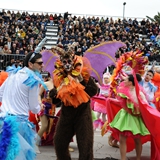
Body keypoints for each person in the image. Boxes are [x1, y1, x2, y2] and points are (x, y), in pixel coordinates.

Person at [48, 44, 98, 160]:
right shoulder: (60, 78)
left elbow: (93, 91)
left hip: (82, 114)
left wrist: (82, 81)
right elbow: (56, 100)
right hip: (66, 114)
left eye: (68, 61)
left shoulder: (83, 74)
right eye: (64, 62)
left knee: (85, 147)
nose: (67, 64)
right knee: (59, 142)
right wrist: (53, 93)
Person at [0, 51, 46, 160]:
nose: (42, 65)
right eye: (39, 63)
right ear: (30, 64)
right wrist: (40, 106)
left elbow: (0, 94)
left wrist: (10, 102)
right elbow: (34, 108)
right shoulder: (33, 80)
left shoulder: (13, 75)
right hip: (19, 125)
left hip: (4, 122)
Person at [109, 74, 150, 160]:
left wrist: (137, 108)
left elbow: (145, 105)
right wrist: (110, 100)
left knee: (138, 140)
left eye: (126, 80)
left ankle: (138, 158)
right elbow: (120, 102)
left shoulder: (139, 93)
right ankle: (123, 158)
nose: (124, 81)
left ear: (130, 82)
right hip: (124, 116)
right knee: (122, 139)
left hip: (135, 118)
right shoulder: (124, 91)